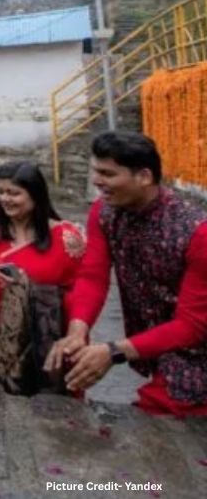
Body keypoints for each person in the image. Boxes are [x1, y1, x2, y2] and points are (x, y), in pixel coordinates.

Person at [45, 132, 207, 417]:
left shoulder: (196, 230)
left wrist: (114, 351)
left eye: (107, 173)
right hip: (158, 344)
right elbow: (93, 276)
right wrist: (77, 330)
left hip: (196, 354)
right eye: (96, 171)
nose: (97, 181)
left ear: (144, 176)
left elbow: (192, 325)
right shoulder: (105, 213)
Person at [0, 162, 84, 390]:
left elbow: (80, 292)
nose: (5, 199)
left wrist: (31, 294)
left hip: (40, 339)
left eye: (14, 193)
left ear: (36, 195)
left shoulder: (67, 238)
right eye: (1, 192)